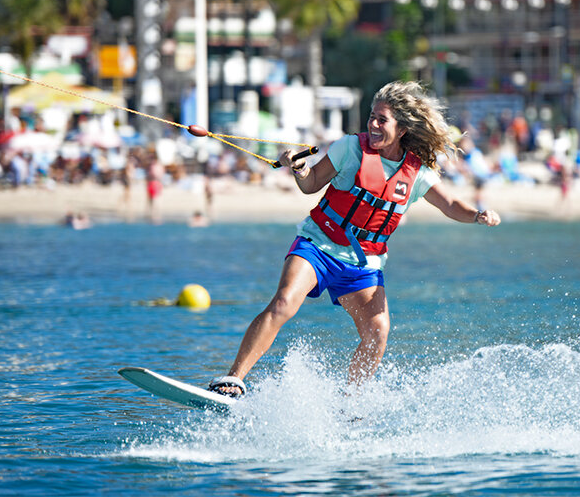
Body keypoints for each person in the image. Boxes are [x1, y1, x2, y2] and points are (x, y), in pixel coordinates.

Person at [208, 81, 501, 397]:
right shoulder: (350, 149)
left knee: (378, 330)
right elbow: (310, 185)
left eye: (382, 119)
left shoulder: (416, 172)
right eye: (372, 116)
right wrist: (300, 170)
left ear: (402, 129)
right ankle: (232, 381)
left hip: (362, 262)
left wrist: (476, 214)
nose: (373, 124)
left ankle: (350, 404)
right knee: (283, 302)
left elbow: (450, 204)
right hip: (318, 244)